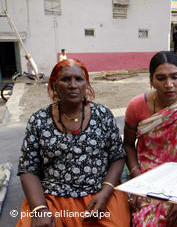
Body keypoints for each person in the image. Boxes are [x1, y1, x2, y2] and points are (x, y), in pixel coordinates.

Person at [16, 58, 130, 226]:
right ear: (54, 85)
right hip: (53, 197)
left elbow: (117, 156)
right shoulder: (39, 120)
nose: (72, 85)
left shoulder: (102, 114)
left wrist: (106, 192)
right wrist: (40, 209)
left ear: (86, 84)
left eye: (78, 79)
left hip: (99, 193)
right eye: (65, 79)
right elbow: (28, 168)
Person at [124, 51, 177, 226]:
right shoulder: (136, 106)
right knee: (147, 222)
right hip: (148, 177)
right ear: (151, 81)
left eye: (174, 77)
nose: (169, 84)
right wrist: (137, 179)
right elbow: (128, 146)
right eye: (161, 78)